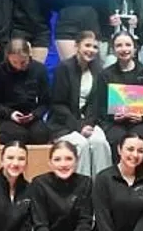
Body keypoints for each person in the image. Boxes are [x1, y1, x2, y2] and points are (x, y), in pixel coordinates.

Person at [47, 30, 112, 177]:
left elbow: (96, 104)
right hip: (64, 124)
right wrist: (79, 126)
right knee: (81, 144)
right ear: (77, 46)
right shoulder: (63, 68)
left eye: (95, 47)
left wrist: (88, 124)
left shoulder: (98, 70)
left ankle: (102, 188)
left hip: (89, 123)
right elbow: (58, 105)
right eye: (87, 45)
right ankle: (83, 190)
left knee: (100, 142)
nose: (91, 50)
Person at [93, 31, 143, 163]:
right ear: (113, 50)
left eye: (128, 45)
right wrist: (113, 117)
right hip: (114, 122)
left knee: (142, 137)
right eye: (119, 45)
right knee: (117, 138)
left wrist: (142, 116)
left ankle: (139, 176)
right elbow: (100, 105)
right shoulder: (105, 75)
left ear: (134, 48)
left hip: (139, 122)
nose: (124, 49)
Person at [0, 38, 50, 144]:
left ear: (29, 54)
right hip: (5, 116)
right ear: (8, 58)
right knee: (19, 136)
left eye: (23, 62)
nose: (19, 66)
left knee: (41, 136)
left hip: (30, 115)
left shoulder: (39, 69)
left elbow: (45, 102)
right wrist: (11, 113)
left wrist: (34, 115)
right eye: (14, 62)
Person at [93, 132, 143, 231]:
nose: (135, 155)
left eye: (140, 151)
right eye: (130, 149)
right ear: (119, 149)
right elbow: (102, 217)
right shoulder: (103, 178)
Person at [30, 141, 94, 230]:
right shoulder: (39, 183)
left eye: (69, 159)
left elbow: (85, 222)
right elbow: (40, 224)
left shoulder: (86, 182)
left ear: (76, 161)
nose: (63, 164)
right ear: (50, 163)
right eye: (57, 159)